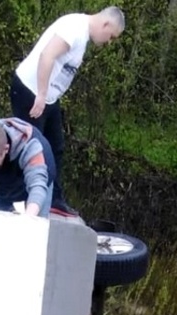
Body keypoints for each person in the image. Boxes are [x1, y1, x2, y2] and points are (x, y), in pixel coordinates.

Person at [10, 7, 125, 216]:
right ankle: (18, 199)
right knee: (31, 148)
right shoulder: (74, 28)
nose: (108, 42)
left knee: (56, 147)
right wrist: (42, 95)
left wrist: (48, 96)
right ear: (106, 25)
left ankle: (54, 200)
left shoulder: (82, 34)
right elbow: (47, 55)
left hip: (47, 97)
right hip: (31, 92)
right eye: (111, 37)